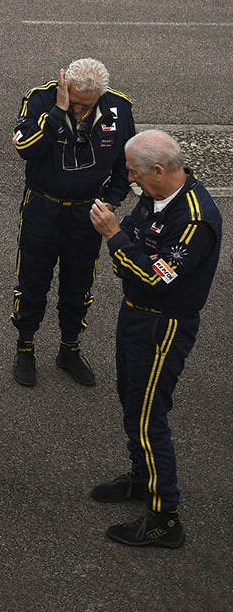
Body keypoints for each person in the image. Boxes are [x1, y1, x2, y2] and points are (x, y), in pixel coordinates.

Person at [88, 130, 221, 548]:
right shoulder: (155, 196)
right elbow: (134, 251)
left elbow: (153, 276)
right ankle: (143, 477)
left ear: (158, 171)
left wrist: (114, 237)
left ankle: (165, 519)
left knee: (148, 420)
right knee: (132, 402)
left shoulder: (195, 219)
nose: (128, 180)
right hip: (135, 317)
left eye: (133, 172)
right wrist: (125, 246)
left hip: (163, 327)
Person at [11, 58, 135, 386]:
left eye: (86, 106)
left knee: (79, 285)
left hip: (86, 213)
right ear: (65, 86)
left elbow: (125, 163)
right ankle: (25, 346)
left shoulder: (119, 109)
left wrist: (112, 200)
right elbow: (24, 147)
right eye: (75, 104)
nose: (79, 111)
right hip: (42, 207)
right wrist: (58, 112)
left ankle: (70, 348)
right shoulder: (39, 99)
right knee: (33, 282)